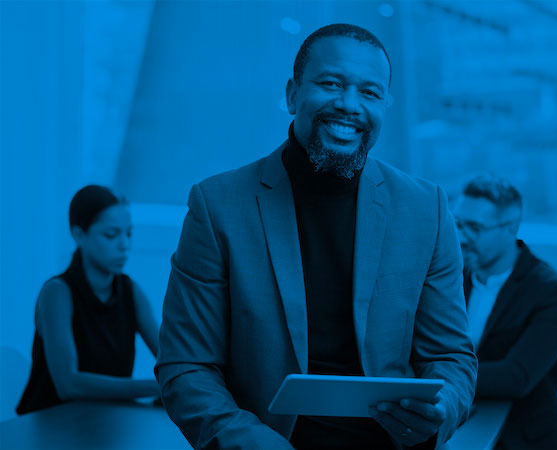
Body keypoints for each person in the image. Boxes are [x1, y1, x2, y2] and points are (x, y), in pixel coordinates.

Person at [156, 24, 477, 450]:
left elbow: (451, 357)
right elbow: (186, 366)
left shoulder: (427, 209)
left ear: (385, 106)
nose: (349, 105)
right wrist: (254, 444)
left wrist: (442, 410)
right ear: (292, 94)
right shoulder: (217, 206)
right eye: (330, 84)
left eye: (370, 92)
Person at [454, 175, 557, 450]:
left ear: (511, 228)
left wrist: (437, 375)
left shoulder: (552, 291)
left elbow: (516, 377)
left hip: (529, 435)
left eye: (474, 227)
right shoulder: (449, 278)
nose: (460, 237)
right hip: (463, 423)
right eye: (457, 223)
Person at [17, 185, 160, 415]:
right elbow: (68, 384)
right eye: (111, 235)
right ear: (79, 235)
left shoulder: (130, 290)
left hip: (107, 424)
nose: (124, 245)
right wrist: (155, 387)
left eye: (128, 233)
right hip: (52, 429)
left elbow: (171, 359)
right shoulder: (57, 292)